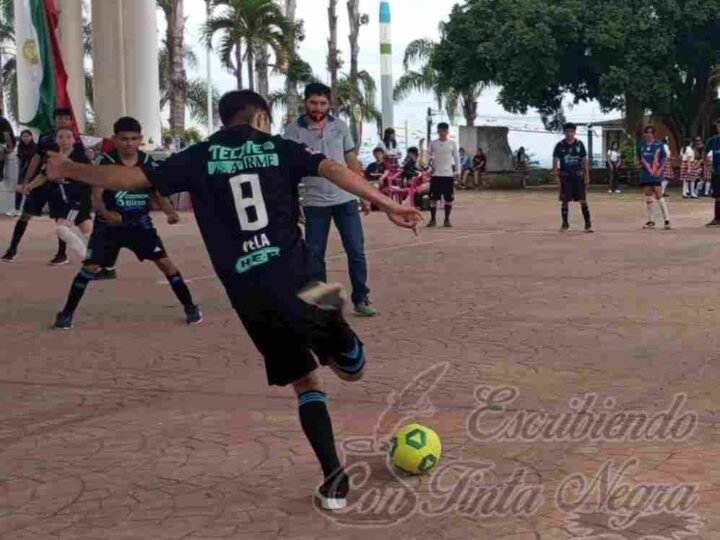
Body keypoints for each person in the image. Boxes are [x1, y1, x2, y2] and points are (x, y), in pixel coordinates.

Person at [45, 90, 422, 511]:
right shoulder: (278, 146)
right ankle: (344, 344)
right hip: (302, 278)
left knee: (305, 381)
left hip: (249, 293)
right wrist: (389, 203)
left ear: (224, 121)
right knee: (349, 361)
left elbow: (130, 180)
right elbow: (333, 169)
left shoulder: (199, 156)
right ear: (261, 118)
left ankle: (334, 483)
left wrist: (67, 167)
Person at [52, 117, 202, 330]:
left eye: (134, 139)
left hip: (140, 225)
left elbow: (156, 191)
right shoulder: (104, 161)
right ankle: (67, 314)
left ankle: (190, 307)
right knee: (91, 267)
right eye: (124, 139)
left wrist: (170, 212)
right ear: (115, 139)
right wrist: (105, 212)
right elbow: (96, 194)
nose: (129, 143)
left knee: (166, 264)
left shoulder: (148, 162)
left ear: (140, 139)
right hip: (109, 226)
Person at [284, 82, 377, 317]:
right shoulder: (293, 131)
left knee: (356, 250)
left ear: (329, 104)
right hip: (314, 203)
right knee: (315, 253)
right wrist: (294, 203)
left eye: (322, 103)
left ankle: (361, 297)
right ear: (305, 102)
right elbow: (289, 170)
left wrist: (364, 193)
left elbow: (351, 161)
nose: (317, 107)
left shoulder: (341, 127)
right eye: (313, 102)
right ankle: (323, 302)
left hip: (345, 200)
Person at [2, 108, 84, 264]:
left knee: (60, 219)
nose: (63, 121)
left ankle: (62, 254)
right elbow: (36, 159)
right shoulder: (45, 138)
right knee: (25, 214)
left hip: (61, 186)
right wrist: (26, 181)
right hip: (42, 182)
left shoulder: (76, 141)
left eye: (66, 118)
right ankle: (12, 249)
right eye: (59, 118)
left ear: (71, 121)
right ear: (54, 120)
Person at [22, 127, 93, 261]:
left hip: (77, 198)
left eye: (68, 137)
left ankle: (86, 255)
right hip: (64, 199)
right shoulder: (52, 157)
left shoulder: (81, 156)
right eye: (60, 137)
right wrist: (30, 186)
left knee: (61, 228)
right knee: (87, 230)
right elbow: (44, 176)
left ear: (73, 140)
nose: (64, 140)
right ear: (56, 139)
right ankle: (101, 256)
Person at [553, 123, 592, 233]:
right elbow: (555, 162)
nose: (569, 134)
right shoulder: (559, 145)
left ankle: (588, 225)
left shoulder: (579, 144)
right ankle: (565, 224)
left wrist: (587, 175)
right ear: (564, 132)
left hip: (578, 177)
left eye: (571, 131)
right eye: (567, 132)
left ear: (574, 132)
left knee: (583, 200)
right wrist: (556, 176)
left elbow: (584, 161)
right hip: (565, 177)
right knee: (565, 201)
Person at [637, 126, 671, 230]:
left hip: (656, 173)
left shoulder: (659, 145)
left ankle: (667, 220)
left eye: (650, 133)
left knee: (659, 196)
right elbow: (639, 158)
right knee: (648, 196)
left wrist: (660, 170)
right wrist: (638, 163)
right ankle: (651, 221)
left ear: (654, 134)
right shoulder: (640, 145)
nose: (648, 134)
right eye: (646, 132)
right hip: (645, 173)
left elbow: (664, 158)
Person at [427, 122, 460, 227]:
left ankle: (447, 219)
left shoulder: (452, 143)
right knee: (433, 199)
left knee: (448, 199)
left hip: (448, 175)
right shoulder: (433, 143)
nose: (442, 133)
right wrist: (429, 167)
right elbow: (427, 157)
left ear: (447, 132)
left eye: (444, 131)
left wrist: (458, 171)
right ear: (437, 131)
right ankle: (432, 219)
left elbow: (457, 159)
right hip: (436, 175)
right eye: (440, 131)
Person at [6, 130, 36, 217]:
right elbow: (20, 159)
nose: (25, 138)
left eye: (27, 136)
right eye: (23, 136)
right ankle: (16, 209)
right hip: (22, 170)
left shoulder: (35, 147)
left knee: (29, 190)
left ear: (31, 136)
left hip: (32, 172)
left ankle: (28, 210)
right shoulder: (20, 147)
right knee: (18, 190)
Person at [704, 119, 720, 226]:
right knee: (717, 196)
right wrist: (708, 165)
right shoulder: (713, 140)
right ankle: (717, 219)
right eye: (718, 126)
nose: (719, 127)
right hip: (717, 172)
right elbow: (704, 153)